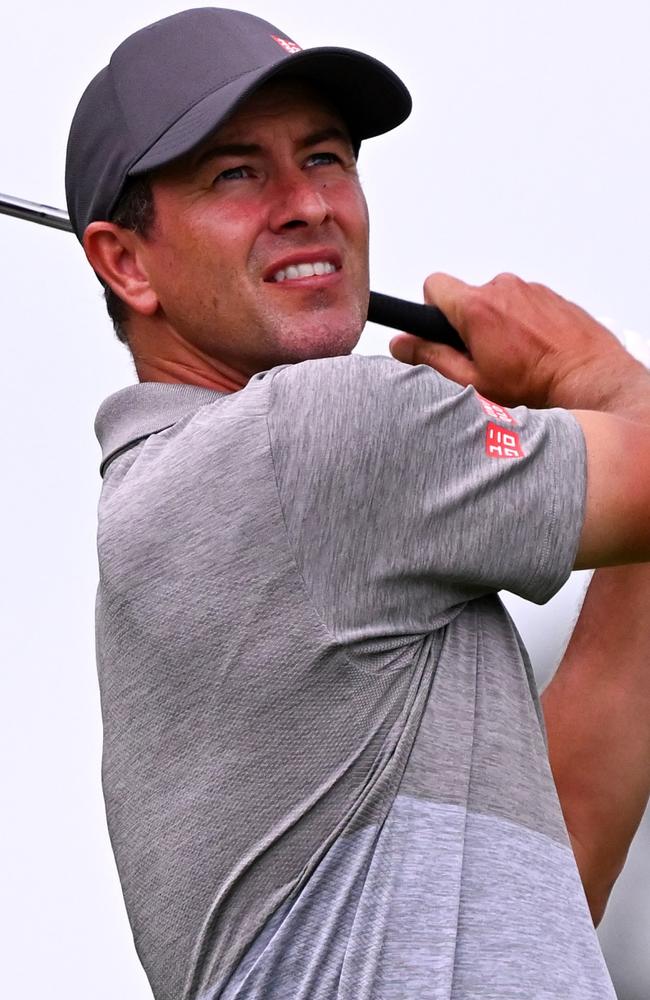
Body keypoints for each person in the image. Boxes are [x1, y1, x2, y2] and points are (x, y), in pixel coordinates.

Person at [65, 8, 650, 1000]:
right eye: (235, 173)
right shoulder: (319, 437)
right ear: (126, 261)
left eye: (327, 158)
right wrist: (587, 370)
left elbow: (561, 854)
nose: (307, 205)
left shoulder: (177, 510)